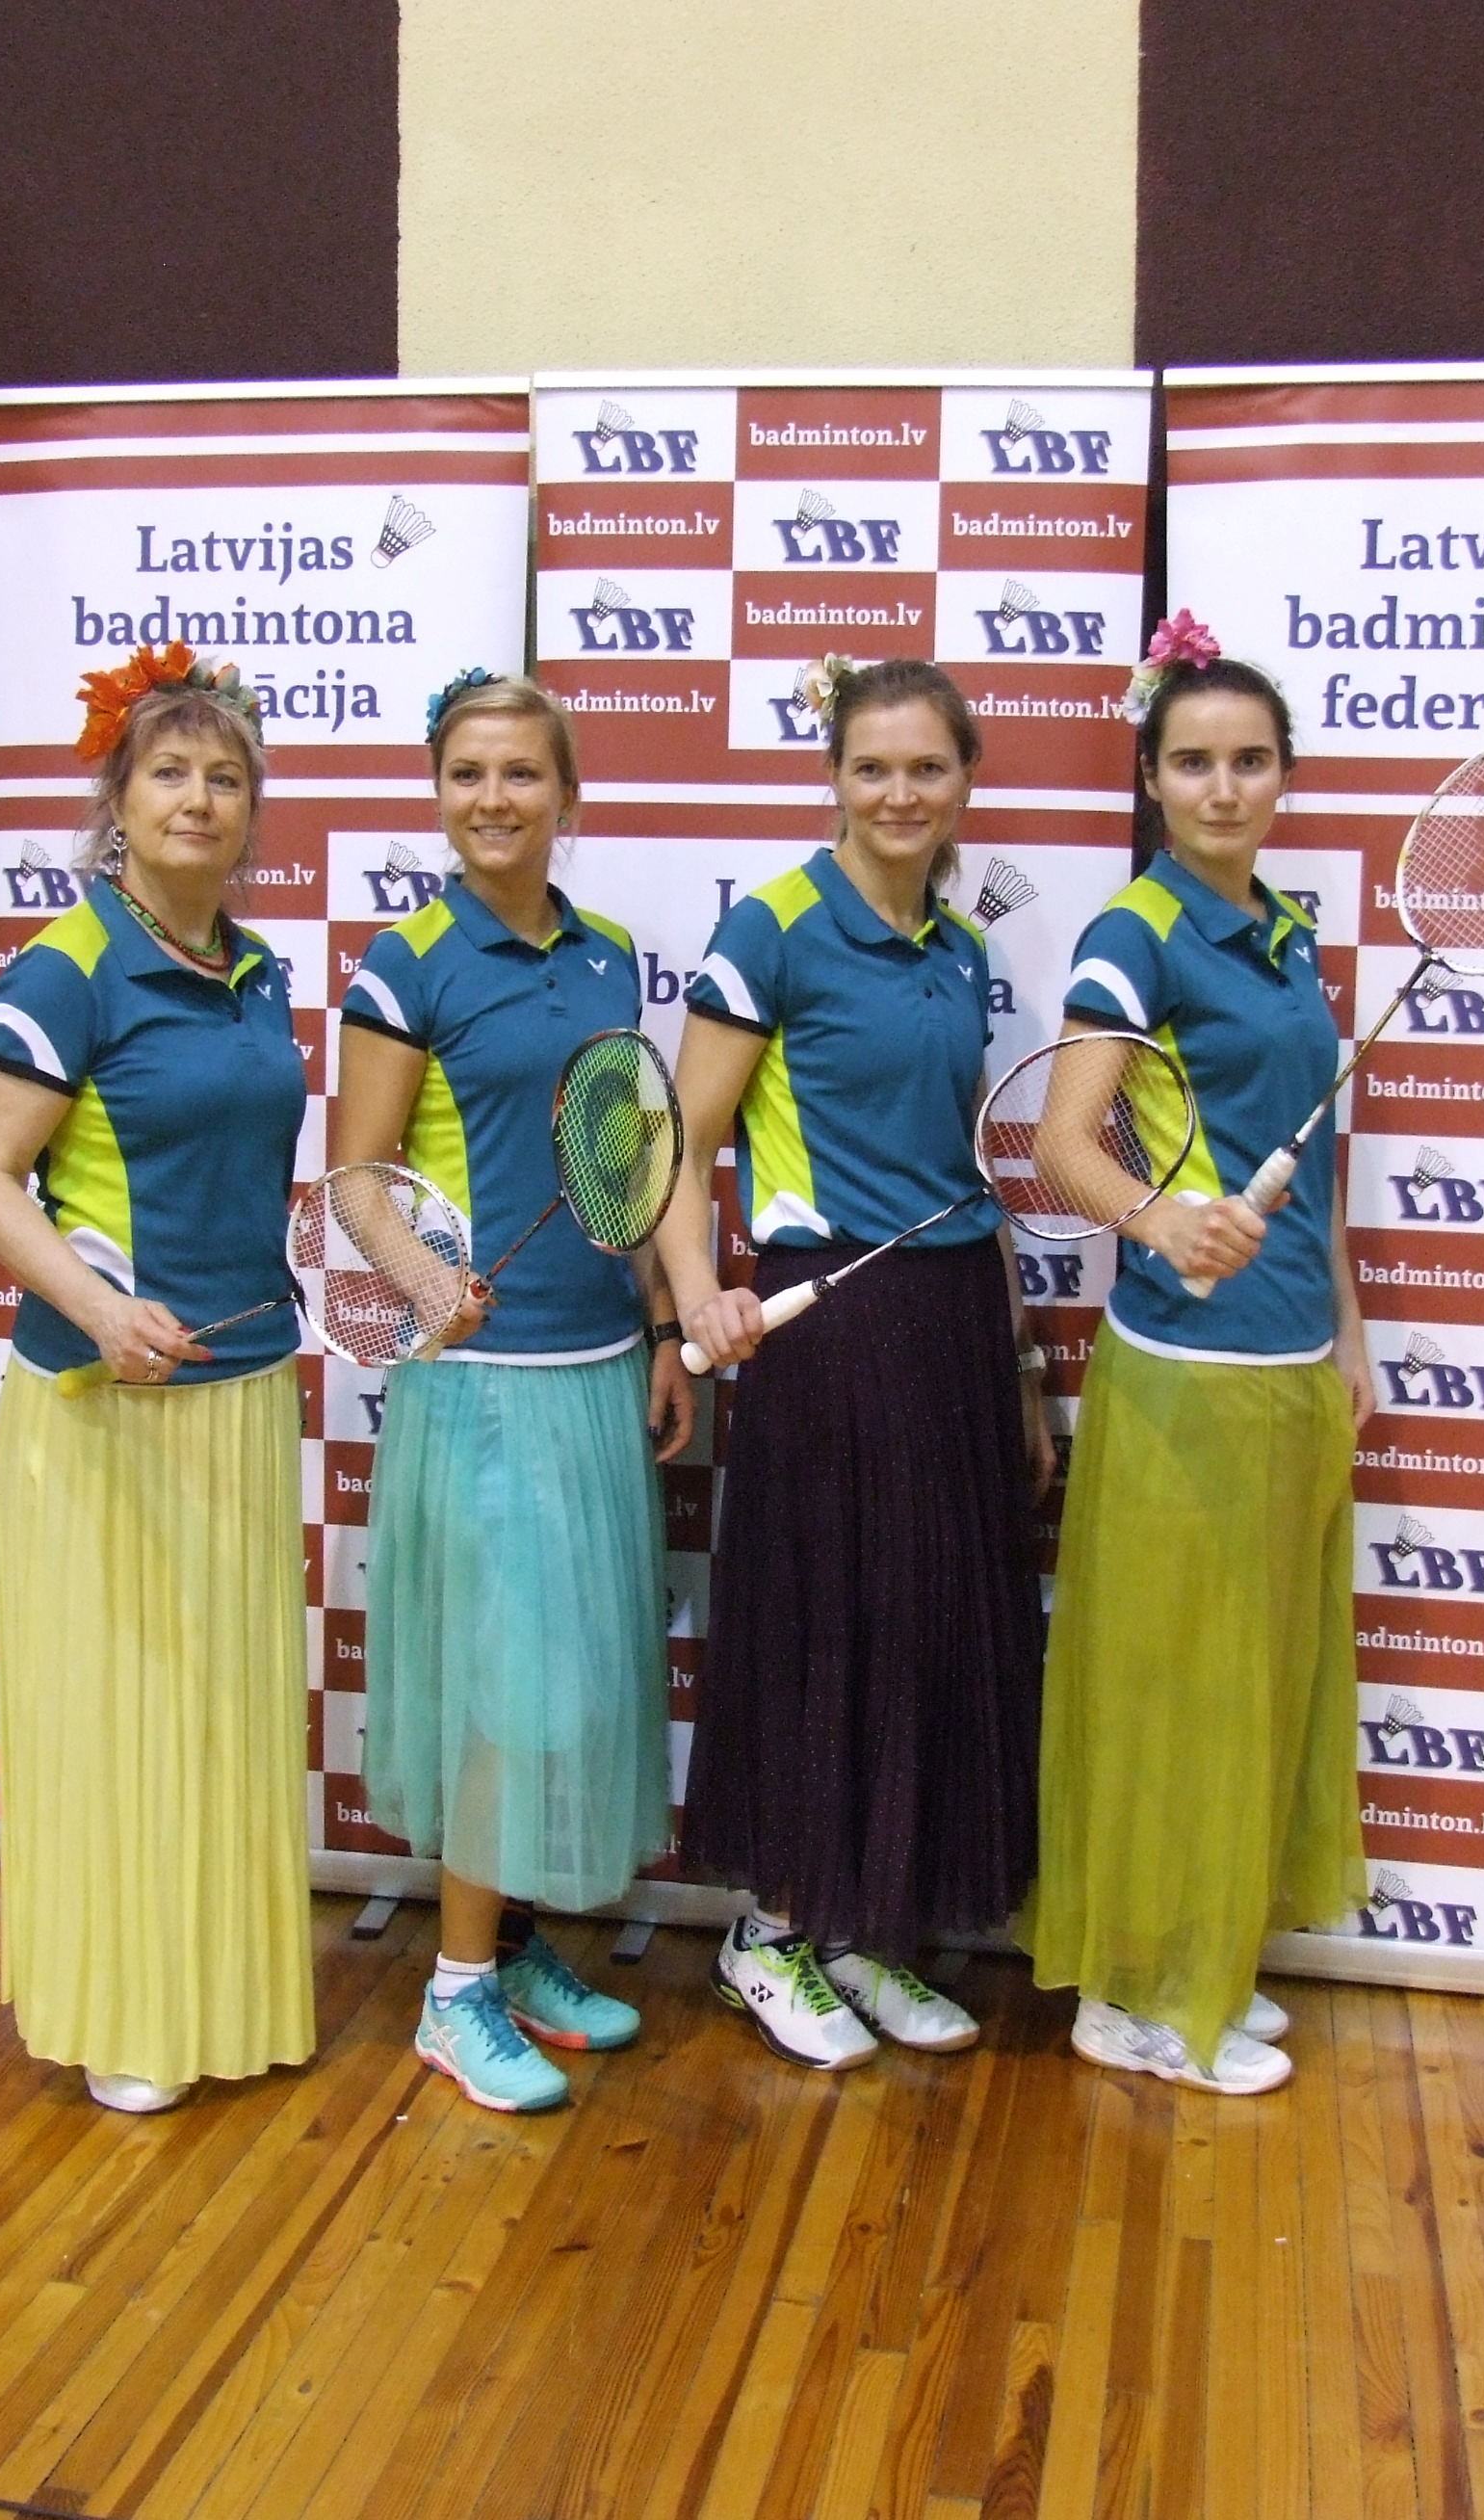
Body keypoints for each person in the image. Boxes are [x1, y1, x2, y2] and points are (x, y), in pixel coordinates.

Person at [661, 655, 1055, 2072]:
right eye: (872, 767)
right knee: (825, 1622)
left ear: (965, 783)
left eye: (927, 768)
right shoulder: (770, 928)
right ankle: (768, 1933)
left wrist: (1019, 1366)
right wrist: (697, 1295)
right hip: (826, 1321)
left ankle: (862, 1927)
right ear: (833, 775)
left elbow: (966, 1171)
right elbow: (678, 1145)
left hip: (951, 1319)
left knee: (925, 1629)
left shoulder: (962, 949)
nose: (900, 793)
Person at [0, 643, 314, 2114]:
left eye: (225, 776)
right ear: (118, 797)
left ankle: (216, 1988)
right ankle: (123, 2007)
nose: (199, 798)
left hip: (243, 1396)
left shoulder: (258, 970)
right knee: (124, 1716)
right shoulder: (66, 969)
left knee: (222, 1718)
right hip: (108, 1412)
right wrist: (100, 1309)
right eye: (169, 770)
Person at [1017, 618, 1373, 2096]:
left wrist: (1350, 1332)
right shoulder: (1136, 932)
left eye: (1250, 760)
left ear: (1283, 774)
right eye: (1194, 762)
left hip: (1290, 1364)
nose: (1224, 788)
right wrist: (1160, 1222)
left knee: (1255, 1682)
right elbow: (1061, 1141)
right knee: (1172, 1686)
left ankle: (1202, 1958)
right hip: (1188, 1372)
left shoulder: (1284, 931)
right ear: (1153, 779)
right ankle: (1130, 1994)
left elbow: (1322, 1160)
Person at [336, 671, 691, 2116]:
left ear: (567, 795)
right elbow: (357, 1183)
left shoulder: (609, 959)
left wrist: (663, 1325)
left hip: (597, 1373)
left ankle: (520, 1946)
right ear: (439, 792)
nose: (495, 799)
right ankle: (455, 1993)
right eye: (468, 774)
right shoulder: (404, 963)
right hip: (480, 1389)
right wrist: (428, 1283)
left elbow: (634, 1161)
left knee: (567, 1688)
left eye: (522, 774)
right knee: (501, 1693)